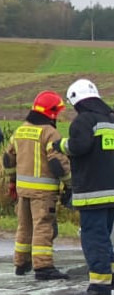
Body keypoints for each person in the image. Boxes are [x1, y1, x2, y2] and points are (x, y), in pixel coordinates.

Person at [55, 79, 114, 295]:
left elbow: (79, 146)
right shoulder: (112, 121)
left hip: (92, 191)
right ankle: (112, 278)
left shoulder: (84, 121)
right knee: (102, 236)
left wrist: (60, 145)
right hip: (112, 189)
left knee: (93, 238)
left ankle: (99, 287)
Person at [2, 91, 71, 280]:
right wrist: (70, 184)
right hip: (44, 192)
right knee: (43, 226)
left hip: (23, 190)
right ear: (52, 112)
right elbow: (58, 162)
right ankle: (43, 267)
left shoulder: (20, 130)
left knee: (24, 226)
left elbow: (8, 159)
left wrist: (13, 182)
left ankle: (21, 263)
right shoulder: (50, 133)